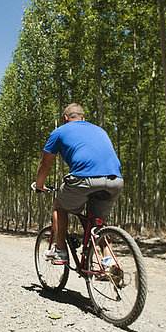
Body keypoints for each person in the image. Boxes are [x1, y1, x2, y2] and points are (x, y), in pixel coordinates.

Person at [34, 103, 123, 265]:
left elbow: (45, 164)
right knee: (98, 222)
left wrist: (39, 186)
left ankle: (60, 251)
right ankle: (109, 261)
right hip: (115, 180)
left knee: (60, 206)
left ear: (66, 118)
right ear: (83, 118)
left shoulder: (59, 131)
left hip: (84, 179)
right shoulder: (100, 130)